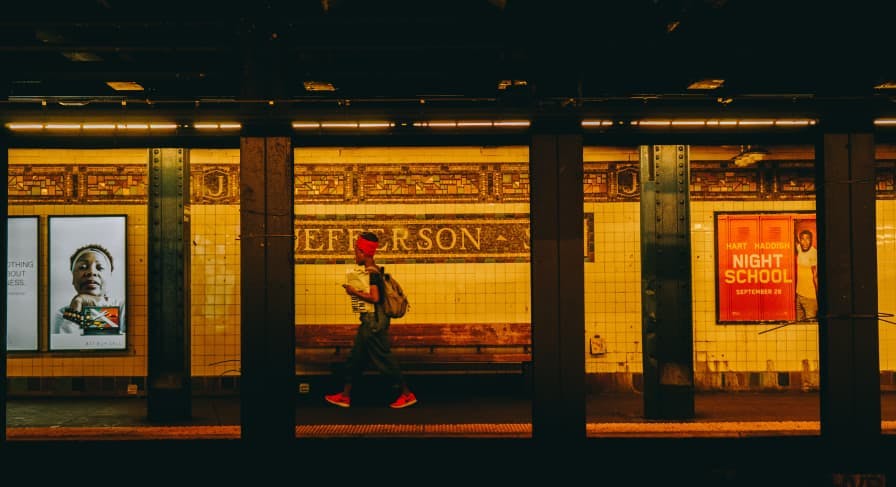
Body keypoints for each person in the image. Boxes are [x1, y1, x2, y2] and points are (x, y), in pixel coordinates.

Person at [324, 232, 417, 409]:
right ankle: (345, 395)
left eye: (357, 252)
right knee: (355, 359)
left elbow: (374, 298)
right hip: (369, 322)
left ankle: (406, 394)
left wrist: (354, 292)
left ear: (365, 253)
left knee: (384, 360)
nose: (354, 255)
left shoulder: (373, 273)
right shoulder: (373, 270)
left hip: (375, 324)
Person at [52, 244, 124, 334]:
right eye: (82, 267)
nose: (91, 272)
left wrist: (98, 306)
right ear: (73, 278)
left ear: (109, 277)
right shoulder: (61, 314)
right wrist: (77, 304)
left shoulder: (123, 308)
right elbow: (64, 345)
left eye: (100, 267)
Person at [795, 229, 818, 321]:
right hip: (799, 295)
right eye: (802, 239)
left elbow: (816, 276)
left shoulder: (813, 253)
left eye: (807, 239)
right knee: (799, 327)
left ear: (811, 240)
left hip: (810, 298)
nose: (805, 242)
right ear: (799, 240)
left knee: (811, 325)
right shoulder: (799, 248)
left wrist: (818, 297)